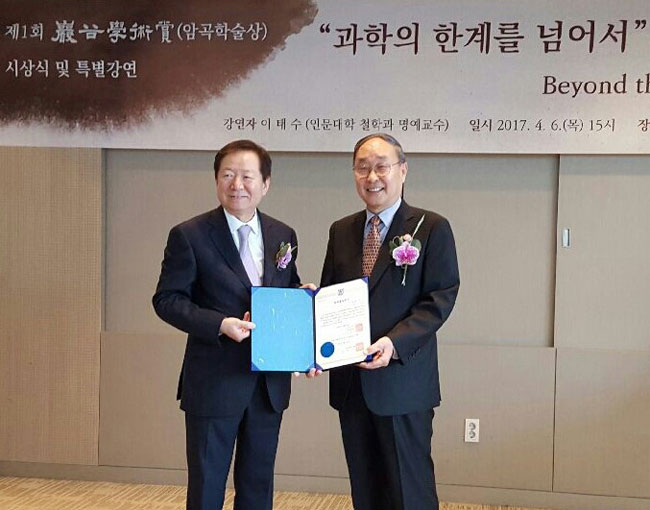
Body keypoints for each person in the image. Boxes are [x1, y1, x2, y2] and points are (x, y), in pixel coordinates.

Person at [153, 139, 302, 510]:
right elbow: (167, 300)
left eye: (247, 176)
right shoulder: (189, 235)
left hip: (268, 385)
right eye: (228, 175)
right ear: (216, 180)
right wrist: (219, 323)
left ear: (265, 184)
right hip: (213, 381)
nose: (237, 185)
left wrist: (304, 305)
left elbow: (288, 292)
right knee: (207, 487)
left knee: (258, 486)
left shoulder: (283, 235)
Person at [320, 133, 460, 510]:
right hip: (351, 384)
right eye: (362, 167)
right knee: (365, 492)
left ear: (403, 170)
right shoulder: (341, 230)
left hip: (403, 383)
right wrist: (312, 341)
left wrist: (394, 343)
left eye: (381, 166)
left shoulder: (431, 227)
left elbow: (439, 297)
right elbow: (331, 296)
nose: (372, 177)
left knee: (408, 492)